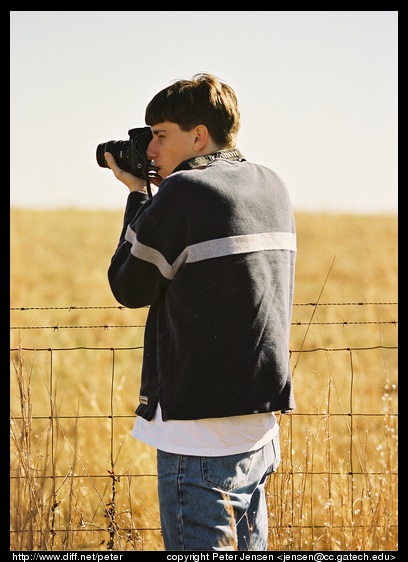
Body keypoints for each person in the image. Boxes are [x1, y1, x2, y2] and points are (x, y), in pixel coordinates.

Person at [104, 73, 297, 551]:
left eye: (160, 135)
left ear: (198, 136)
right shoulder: (273, 185)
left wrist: (137, 196)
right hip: (258, 425)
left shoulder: (185, 191)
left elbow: (128, 285)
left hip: (197, 437)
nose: (149, 151)